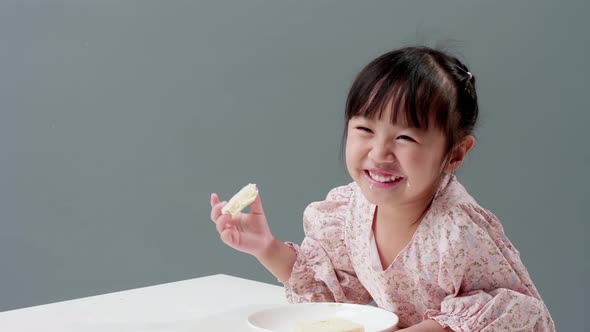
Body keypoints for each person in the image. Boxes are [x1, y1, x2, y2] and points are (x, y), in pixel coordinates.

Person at [209, 46, 555, 331]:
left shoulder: (456, 232)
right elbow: (333, 295)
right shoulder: (353, 210)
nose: (379, 154)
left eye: (405, 137)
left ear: (455, 153)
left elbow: (508, 317)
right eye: (364, 130)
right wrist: (265, 247)